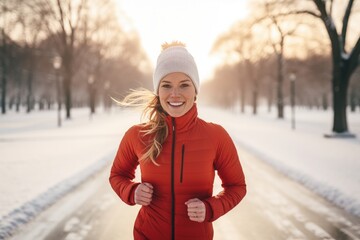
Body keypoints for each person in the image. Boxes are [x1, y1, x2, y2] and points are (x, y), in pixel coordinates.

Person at [109, 41, 246, 240]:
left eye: (184, 85)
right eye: (166, 85)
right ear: (158, 91)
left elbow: (237, 187)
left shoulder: (216, 136)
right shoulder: (138, 135)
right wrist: (132, 191)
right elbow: (117, 175)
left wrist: (210, 208)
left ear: (195, 91)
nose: (175, 94)